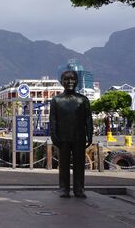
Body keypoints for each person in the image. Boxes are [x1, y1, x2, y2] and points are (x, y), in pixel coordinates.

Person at [49, 70, 93, 198]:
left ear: (77, 81)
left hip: (79, 137)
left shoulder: (83, 100)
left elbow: (88, 119)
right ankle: (64, 188)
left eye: (72, 79)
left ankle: (79, 189)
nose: (70, 82)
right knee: (63, 164)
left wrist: (89, 134)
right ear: (61, 82)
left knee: (79, 165)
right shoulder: (56, 100)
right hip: (62, 138)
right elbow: (53, 119)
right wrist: (53, 134)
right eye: (66, 79)